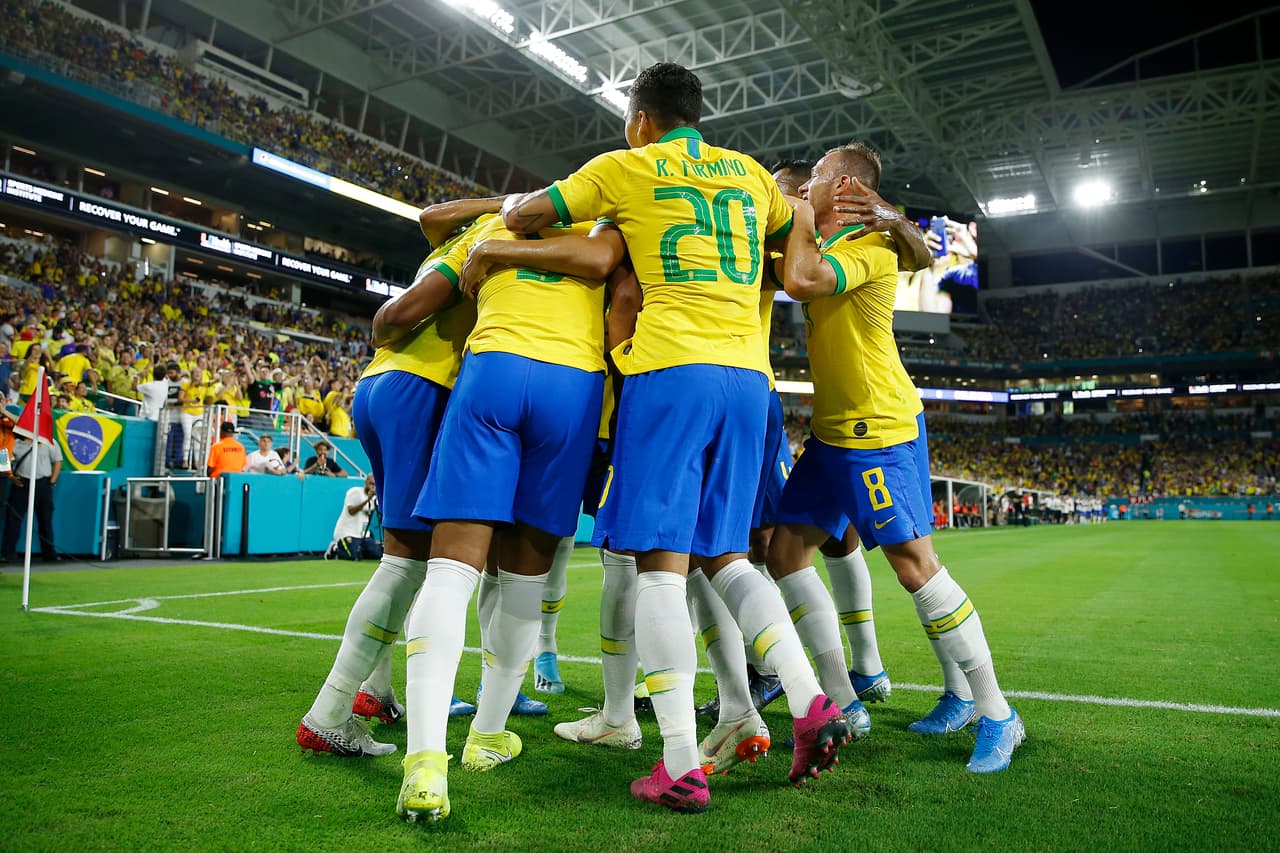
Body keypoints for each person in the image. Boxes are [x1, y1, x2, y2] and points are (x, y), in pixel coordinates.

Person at [498, 62, 850, 812]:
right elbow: (799, 226)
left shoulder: (623, 167)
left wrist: (505, 212)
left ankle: (680, 764)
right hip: (749, 381)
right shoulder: (750, 174)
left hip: (671, 371)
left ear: (640, 118)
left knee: (658, 568)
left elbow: (528, 215)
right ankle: (811, 699)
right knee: (727, 557)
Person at [771, 141, 1023, 773]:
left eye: (816, 178)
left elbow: (801, 282)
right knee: (785, 554)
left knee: (915, 568)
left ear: (844, 187)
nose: (805, 189)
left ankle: (997, 712)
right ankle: (845, 697)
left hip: (876, 432)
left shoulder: (869, 246)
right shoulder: (840, 240)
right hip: (831, 435)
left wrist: (888, 224)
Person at [396, 203, 615, 822]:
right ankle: (488, 736)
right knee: (525, 579)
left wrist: (499, 209)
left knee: (449, 573)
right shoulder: (601, 232)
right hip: (573, 384)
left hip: (493, 368)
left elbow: (431, 222)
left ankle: (425, 760)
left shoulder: (491, 228)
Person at [297, 198, 495, 767]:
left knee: (403, 556)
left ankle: (374, 690)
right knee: (408, 563)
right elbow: (397, 314)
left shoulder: (460, 234)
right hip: (421, 389)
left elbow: (431, 217)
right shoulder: (488, 237)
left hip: (381, 387)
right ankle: (328, 713)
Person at [2, 431, 61, 563]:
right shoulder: (15, 443)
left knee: (45, 520)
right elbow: (3, 456)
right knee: (13, 520)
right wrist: (11, 477)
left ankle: (49, 554)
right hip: (21, 483)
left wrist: (52, 481)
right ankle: (8, 553)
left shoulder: (49, 441)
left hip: (42, 483)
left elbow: (57, 461)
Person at [328, 474, 379, 559]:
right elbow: (351, 511)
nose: (373, 487)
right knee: (352, 555)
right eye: (371, 484)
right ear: (366, 482)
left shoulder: (375, 498)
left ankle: (360, 549)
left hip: (363, 534)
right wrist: (368, 499)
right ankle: (335, 548)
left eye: (375, 485)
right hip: (347, 532)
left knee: (377, 554)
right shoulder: (355, 492)